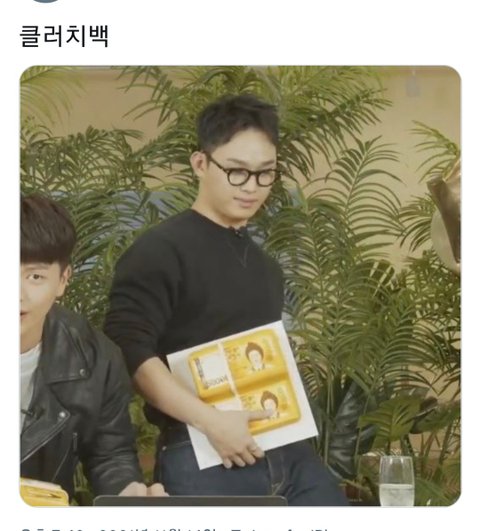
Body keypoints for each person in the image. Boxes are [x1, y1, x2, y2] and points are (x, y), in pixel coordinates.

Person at [104, 94, 348, 505]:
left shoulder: (267, 268)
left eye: (265, 173)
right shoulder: (159, 250)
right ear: (200, 163)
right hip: (200, 449)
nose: (251, 186)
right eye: (236, 171)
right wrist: (211, 422)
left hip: (287, 447)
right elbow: (128, 350)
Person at [20, 194, 166, 503]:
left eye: (35, 276)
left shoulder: (96, 359)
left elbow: (110, 455)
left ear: (63, 280)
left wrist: (127, 494)